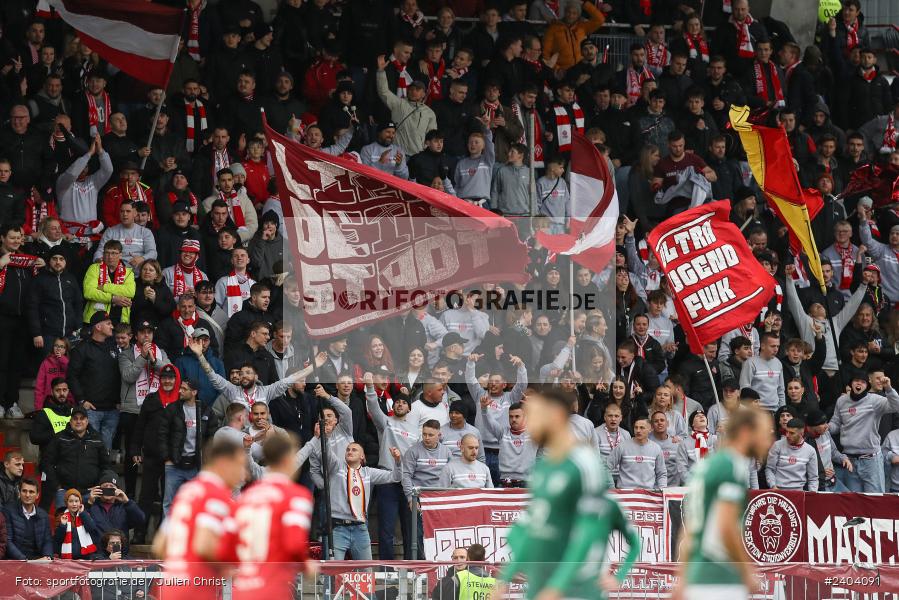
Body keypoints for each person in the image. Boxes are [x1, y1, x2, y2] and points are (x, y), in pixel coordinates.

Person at [498, 388, 638, 600]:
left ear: (554, 416)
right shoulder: (543, 467)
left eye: (534, 415)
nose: (528, 423)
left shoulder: (585, 464)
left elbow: (587, 534)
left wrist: (557, 586)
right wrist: (505, 579)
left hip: (576, 590)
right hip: (541, 587)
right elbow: (532, 529)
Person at [674, 407, 773, 600]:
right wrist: (746, 570)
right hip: (720, 575)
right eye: (764, 433)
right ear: (746, 432)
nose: (768, 440)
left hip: (698, 577)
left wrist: (682, 580)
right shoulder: (731, 465)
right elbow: (727, 526)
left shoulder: (706, 466)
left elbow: (688, 530)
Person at [155, 438, 247, 600]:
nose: (244, 475)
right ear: (224, 463)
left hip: (172, 587)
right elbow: (204, 544)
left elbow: (160, 545)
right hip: (196, 589)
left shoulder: (187, 492)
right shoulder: (214, 494)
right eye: (240, 466)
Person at [232, 435, 316, 599]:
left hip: (243, 587)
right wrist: (306, 565)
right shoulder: (296, 496)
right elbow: (294, 544)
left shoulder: (246, 497)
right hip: (272, 587)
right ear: (287, 460)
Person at [829, 371, 899, 493]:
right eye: (856, 381)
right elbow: (836, 424)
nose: (859, 384)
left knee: (874, 502)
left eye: (863, 382)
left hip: (871, 461)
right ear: (851, 383)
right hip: (849, 461)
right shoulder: (841, 401)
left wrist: (888, 388)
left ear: (867, 385)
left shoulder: (875, 400)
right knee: (854, 503)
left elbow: (896, 406)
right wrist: (826, 427)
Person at [159, 377, 218, 514]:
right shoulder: (173, 409)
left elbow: (212, 436)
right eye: (180, 388)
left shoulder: (205, 411)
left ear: (194, 392)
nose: (180, 391)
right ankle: (169, 535)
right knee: (169, 504)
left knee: (197, 503)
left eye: (184, 389)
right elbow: (162, 434)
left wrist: (206, 461)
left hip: (196, 465)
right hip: (174, 464)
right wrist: (166, 458)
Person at [67, 312, 121, 449]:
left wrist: (119, 401)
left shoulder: (114, 347)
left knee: (106, 451)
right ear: (98, 326)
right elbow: (72, 376)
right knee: (90, 450)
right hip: (91, 410)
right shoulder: (82, 349)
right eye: (108, 323)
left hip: (112, 409)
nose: (112, 327)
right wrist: (81, 400)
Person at [478, 400, 537, 487]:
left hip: (528, 482)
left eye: (517, 416)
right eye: (511, 416)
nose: (513, 419)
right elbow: (489, 422)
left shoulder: (534, 434)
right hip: (505, 482)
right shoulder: (502, 433)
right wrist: (484, 409)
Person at [85, 471, 145, 554]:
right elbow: (81, 524)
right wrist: (89, 503)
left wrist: (127, 502)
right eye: (105, 486)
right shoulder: (92, 506)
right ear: (99, 489)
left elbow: (140, 520)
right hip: (97, 556)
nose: (108, 489)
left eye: (111, 487)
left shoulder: (124, 506)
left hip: (119, 554)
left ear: (117, 490)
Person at [82, 240, 136, 326]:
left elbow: (130, 292)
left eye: (114, 253)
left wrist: (104, 287)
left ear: (120, 255)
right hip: (95, 320)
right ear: (103, 254)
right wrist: (112, 299)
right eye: (107, 253)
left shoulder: (128, 272)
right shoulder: (94, 268)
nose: (110, 256)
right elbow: (89, 292)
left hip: (120, 320)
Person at [608, 417, 668, 489]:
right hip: (625, 493)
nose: (638, 430)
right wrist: (612, 487)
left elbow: (661, 473)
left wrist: (662, 490)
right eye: (636, 428)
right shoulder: (622, 446)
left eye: (642, 428)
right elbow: (606, 467)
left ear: (650, 429)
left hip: (648, 494)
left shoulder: (656, 448)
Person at [3, 477, 54, 560]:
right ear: (19, 493)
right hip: (15, 560)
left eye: (31, 492)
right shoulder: (8, 511)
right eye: (24, 491)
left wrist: (47, 557)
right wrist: (24, 559)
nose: (27, 495)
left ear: (37, 495)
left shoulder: (43, 515)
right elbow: (8, 541)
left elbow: (47, 540)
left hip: (37, 560)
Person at [765, 417, 819, 491]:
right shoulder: (777, 445)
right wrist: (773, 486)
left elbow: (813, 478)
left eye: (792, 433)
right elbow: (769, 469)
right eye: (786, 432)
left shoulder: (810, 450)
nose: (787, 435)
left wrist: (812, 494)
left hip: (798, 492)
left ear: (801, 434)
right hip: (778, 490)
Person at [739, 332, 785, 412]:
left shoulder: (778, 363)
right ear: (763, 346)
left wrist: (783, 410)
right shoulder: (750, 363)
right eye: (773, 346)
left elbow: (781, 390)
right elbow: (744, 389)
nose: (776, 349)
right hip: (757, 411)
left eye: (778, 346)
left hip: (775, 411)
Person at [54, 488, 99, 559]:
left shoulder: (85, 513)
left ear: (80, 502)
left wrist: (83, 514)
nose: (74, 504)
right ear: (66, 503)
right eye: (71, 501)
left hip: (85, 557)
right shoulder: (61, 516)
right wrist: (63, 525)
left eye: (76, 501)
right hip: (67, 558)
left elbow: (92, 529)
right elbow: (58, 539)